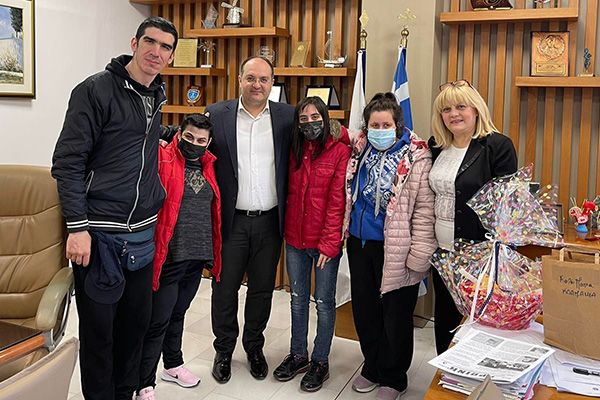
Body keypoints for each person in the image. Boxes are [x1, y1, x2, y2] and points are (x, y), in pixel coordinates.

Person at [51, 17, 178, 400]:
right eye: (150, 42)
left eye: (166, 47)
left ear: (171, 56)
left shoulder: (155, 94)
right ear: (134, 43)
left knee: (133, 332)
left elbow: (135, 142)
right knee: (99, 338)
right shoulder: (95, 90)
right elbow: (68, 162)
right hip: (100, 237)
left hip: (142, 237)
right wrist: (77, 227)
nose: (157, 52)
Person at [205, 56, 295, 383]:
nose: (257, 85)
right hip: (231, 222)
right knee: (224, 288)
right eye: (251, 78)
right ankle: (224, 350)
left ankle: (254, 347)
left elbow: (320, 140)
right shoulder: (217, 115)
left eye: (264, 79)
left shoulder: (288, 116)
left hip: (270, 222)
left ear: (272, 83)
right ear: (240, 79)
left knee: (262, 290)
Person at [343, 93, 436, 400]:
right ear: (366, 126)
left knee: (395, 315)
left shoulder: (417, 157)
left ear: (397, 125)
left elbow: (424, 210)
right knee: (365, 310)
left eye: (386, 125)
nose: (380, 130)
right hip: (360, 244)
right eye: (375, 125)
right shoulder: (359, 149)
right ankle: (372, 366)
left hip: (396, 247)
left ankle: (394, 377)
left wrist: (420, 253)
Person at [136, 114, 221, 400]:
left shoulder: (210, 164)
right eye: (189, 137)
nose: (194, 143)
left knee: (178, 313)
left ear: (209, 142)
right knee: (157, 321)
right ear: (179, 134)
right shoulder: (163, 157)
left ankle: (172, 364)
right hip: (169, 256)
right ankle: (143, 382)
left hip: (196, 257)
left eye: (201, 140)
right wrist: (162, 138)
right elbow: (143, 130)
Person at [428, 79, 517, 354]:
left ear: (476, 110)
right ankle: (444, 373)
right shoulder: (436, 146)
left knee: (477, 325)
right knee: (445, 320)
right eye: (446, 109)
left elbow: (508, 207)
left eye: (461, 107)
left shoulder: (497, 146)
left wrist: (498, 257)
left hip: (480, 257)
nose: (453, 114)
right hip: (442, 252)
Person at [272, 97, 351, 392]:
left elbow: (337, 202)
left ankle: (320, 360)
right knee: (297, 299)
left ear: (325, 118)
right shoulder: (294, 149)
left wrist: (330, 244)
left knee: (325, 303)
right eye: (303, 119)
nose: (309, 123)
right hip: (295, 239)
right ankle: (298, 355)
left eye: (315, 117)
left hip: (324, 243)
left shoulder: (339, 151)